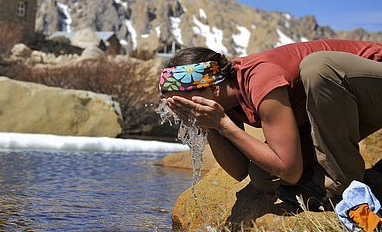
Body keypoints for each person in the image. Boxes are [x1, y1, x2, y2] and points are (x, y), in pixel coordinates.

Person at [160, 39, 382, 210]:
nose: (178, 108)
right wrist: (211, 126)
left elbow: (290, 170)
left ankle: (340, 187)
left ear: (213, 89)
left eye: (181, 100)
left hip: (370, 84)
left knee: (317, 68)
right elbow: (239, 170)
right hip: (347, 106)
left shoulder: (260, 78)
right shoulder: (226, 99)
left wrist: (223, 124)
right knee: (264, 175)